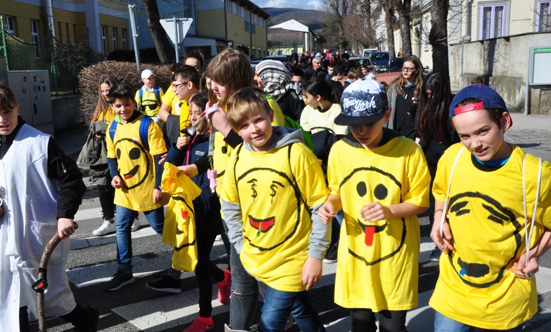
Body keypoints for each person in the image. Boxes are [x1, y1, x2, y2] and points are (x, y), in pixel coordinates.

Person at [178, 48, 287, 331]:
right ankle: (277, 319)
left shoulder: (264, 109)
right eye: (210, 79)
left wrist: (227, 128)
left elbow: (268, 157)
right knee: (243, 277)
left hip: (260, 207)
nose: (212, 86)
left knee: (258, 276)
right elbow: (219, 155)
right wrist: (193, 169)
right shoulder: (220, 109)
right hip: (229, 204)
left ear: (238, 80)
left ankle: (286, 317)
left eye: (219, 81)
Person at [429, 84, 551, 331]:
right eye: (464, 136)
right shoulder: (452, 157)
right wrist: (438, 218)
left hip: (505, 295)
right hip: (454, 290)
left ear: (504, 121)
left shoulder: (536, 174)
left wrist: (535, 253)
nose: (474, 144)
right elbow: (442, 189)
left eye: (483, 131)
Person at [318, 79, 430, 332]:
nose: (361, 130)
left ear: (387, 115)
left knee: (393, 326)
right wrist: (329, 204)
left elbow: (420, 202)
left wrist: (390, 211)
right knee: (360, 324)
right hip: (355, 252)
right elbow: (337, 191)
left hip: (395, 253)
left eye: (369, 123)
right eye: (354, 124)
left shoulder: (408, 150)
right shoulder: (339, 150)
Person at [222, 87, 330, 332]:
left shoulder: (297, 153)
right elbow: (230, 206)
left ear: (271, 115)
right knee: (300, 310)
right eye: (244, 126)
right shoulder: (238, 157)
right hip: (258, 256)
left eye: (258, 119)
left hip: (293, 258)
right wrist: (240, 245)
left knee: (270, 323)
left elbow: (320, 207)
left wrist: (315, 256)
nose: (254, 129)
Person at [0, 84, 97, 331]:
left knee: (51, 292)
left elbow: (72, 180)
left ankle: (85, 320)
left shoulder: (40, 143)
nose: (2, 120)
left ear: (17, 108)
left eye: (7, 112)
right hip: (4, 235)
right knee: (11, 296)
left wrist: (65, 215)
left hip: (35, 234)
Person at [163, 92, 229, 332]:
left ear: (209, 115)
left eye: (195, 113)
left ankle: (205, 317)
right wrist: (176, 147)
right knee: (197, 259)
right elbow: (169, 166)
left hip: (211, 209)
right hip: (188, 209)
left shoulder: (217, 140)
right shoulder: (189, 139)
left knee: (200, 261)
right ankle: (223, 278)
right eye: (189, 113)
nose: (190, 118)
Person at [103, 83, 171, 291]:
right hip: (124, 191)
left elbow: (161, 158)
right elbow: (112, 156)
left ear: (134, 102)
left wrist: (158, 187)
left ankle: (188, 252)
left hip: (147, 190)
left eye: (127, 104)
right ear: (112, 106)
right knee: (121, 227)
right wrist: (114, 175)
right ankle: (124, 270)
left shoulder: (147, 125)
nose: (123, 109)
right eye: (118, 106)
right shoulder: (112, 127)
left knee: (160, 228)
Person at [414, 73, 459, 261]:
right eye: (428, 93)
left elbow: (455, 138)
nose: (430, 97)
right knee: (435, 206)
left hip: (449, 160)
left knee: (453, 203)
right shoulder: (424, 104)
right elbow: (420, 133)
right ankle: (439, 242)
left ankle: (453, 240)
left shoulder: (451, 106)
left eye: (434, 94)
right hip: (430, 162)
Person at [89, 74, 140, 236]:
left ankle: (134, 218)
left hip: (121, 152)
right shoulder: (101, 108)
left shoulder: (122, 106)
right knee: (102, 186)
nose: (105, 93)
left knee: (125, 184)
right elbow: (93, 126)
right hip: (103, 154)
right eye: (102, 90)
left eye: (108, 90)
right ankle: (108, 220)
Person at [386, 55, 424, 140]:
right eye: (404, 68)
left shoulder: (421, 89)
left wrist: (419, 136)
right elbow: (387, 109)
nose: (405, 71)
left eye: (410, 69)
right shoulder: (394, 87)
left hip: (412, 135)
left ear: (417, 70)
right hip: (396, 132)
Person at [164, 66, 202, 146]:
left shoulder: (205, 106)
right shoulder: (184, 105)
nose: (173, 90)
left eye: (176, 86)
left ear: (190, 85)